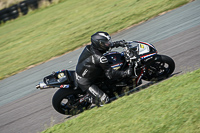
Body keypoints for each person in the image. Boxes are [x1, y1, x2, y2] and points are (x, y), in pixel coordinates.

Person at [75, 31, 135, 106]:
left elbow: (106, 46)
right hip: (85, 82)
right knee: (105, 101)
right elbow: (110, 74)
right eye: (106, 42)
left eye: (108, 41)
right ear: (99, 43)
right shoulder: (100, 58)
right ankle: (88, 98)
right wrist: (126, 73)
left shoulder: (91, 47)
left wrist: (118, 43)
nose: (108, 43)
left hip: (88, 71)